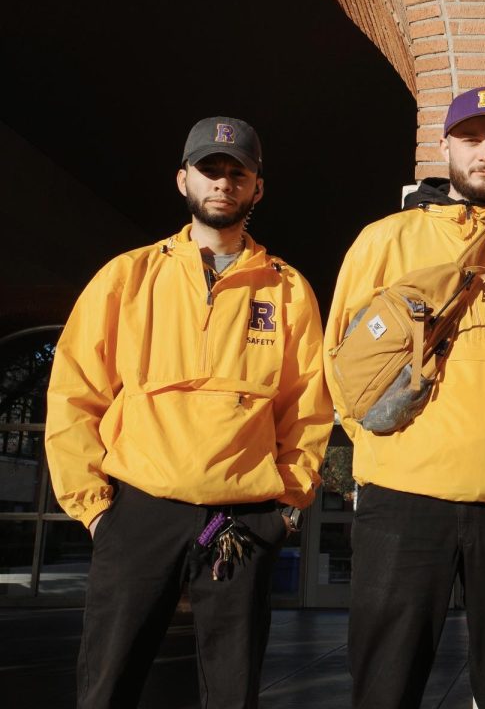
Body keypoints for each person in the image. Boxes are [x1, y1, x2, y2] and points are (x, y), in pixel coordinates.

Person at [45, 116, 333, 708]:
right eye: (210, 170)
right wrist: (96, 510)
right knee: (107, 683)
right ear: (183, 181)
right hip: (138, 513)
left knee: (232, 690)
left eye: (238, 172)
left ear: (257, 189)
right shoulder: (128, 276)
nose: (223, 182)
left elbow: (307, 406)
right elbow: (75, 392)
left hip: (239, 521)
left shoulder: (285, 289)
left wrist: (287, 505)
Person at [326, 86, 485, 709]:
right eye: (471, 139)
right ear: (444, 147)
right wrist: (377, 446)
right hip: (402, 499)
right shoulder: (384, 240)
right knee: (385, 685)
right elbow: (338, 361)